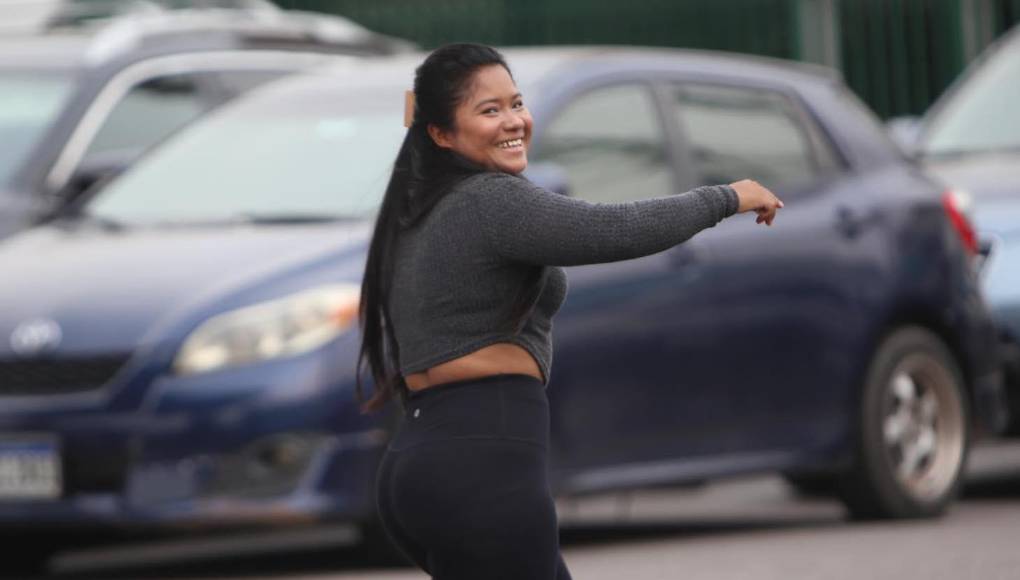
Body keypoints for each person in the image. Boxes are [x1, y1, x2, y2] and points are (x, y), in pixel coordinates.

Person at [358, 43, 783, 580]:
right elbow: (611, 229)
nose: (514, 121)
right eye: (489, 111)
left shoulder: (416, 208)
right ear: (441, 134)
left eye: (516, 103)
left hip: (421, 462)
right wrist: (728, 196)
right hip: (482, 466)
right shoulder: (489, 201)